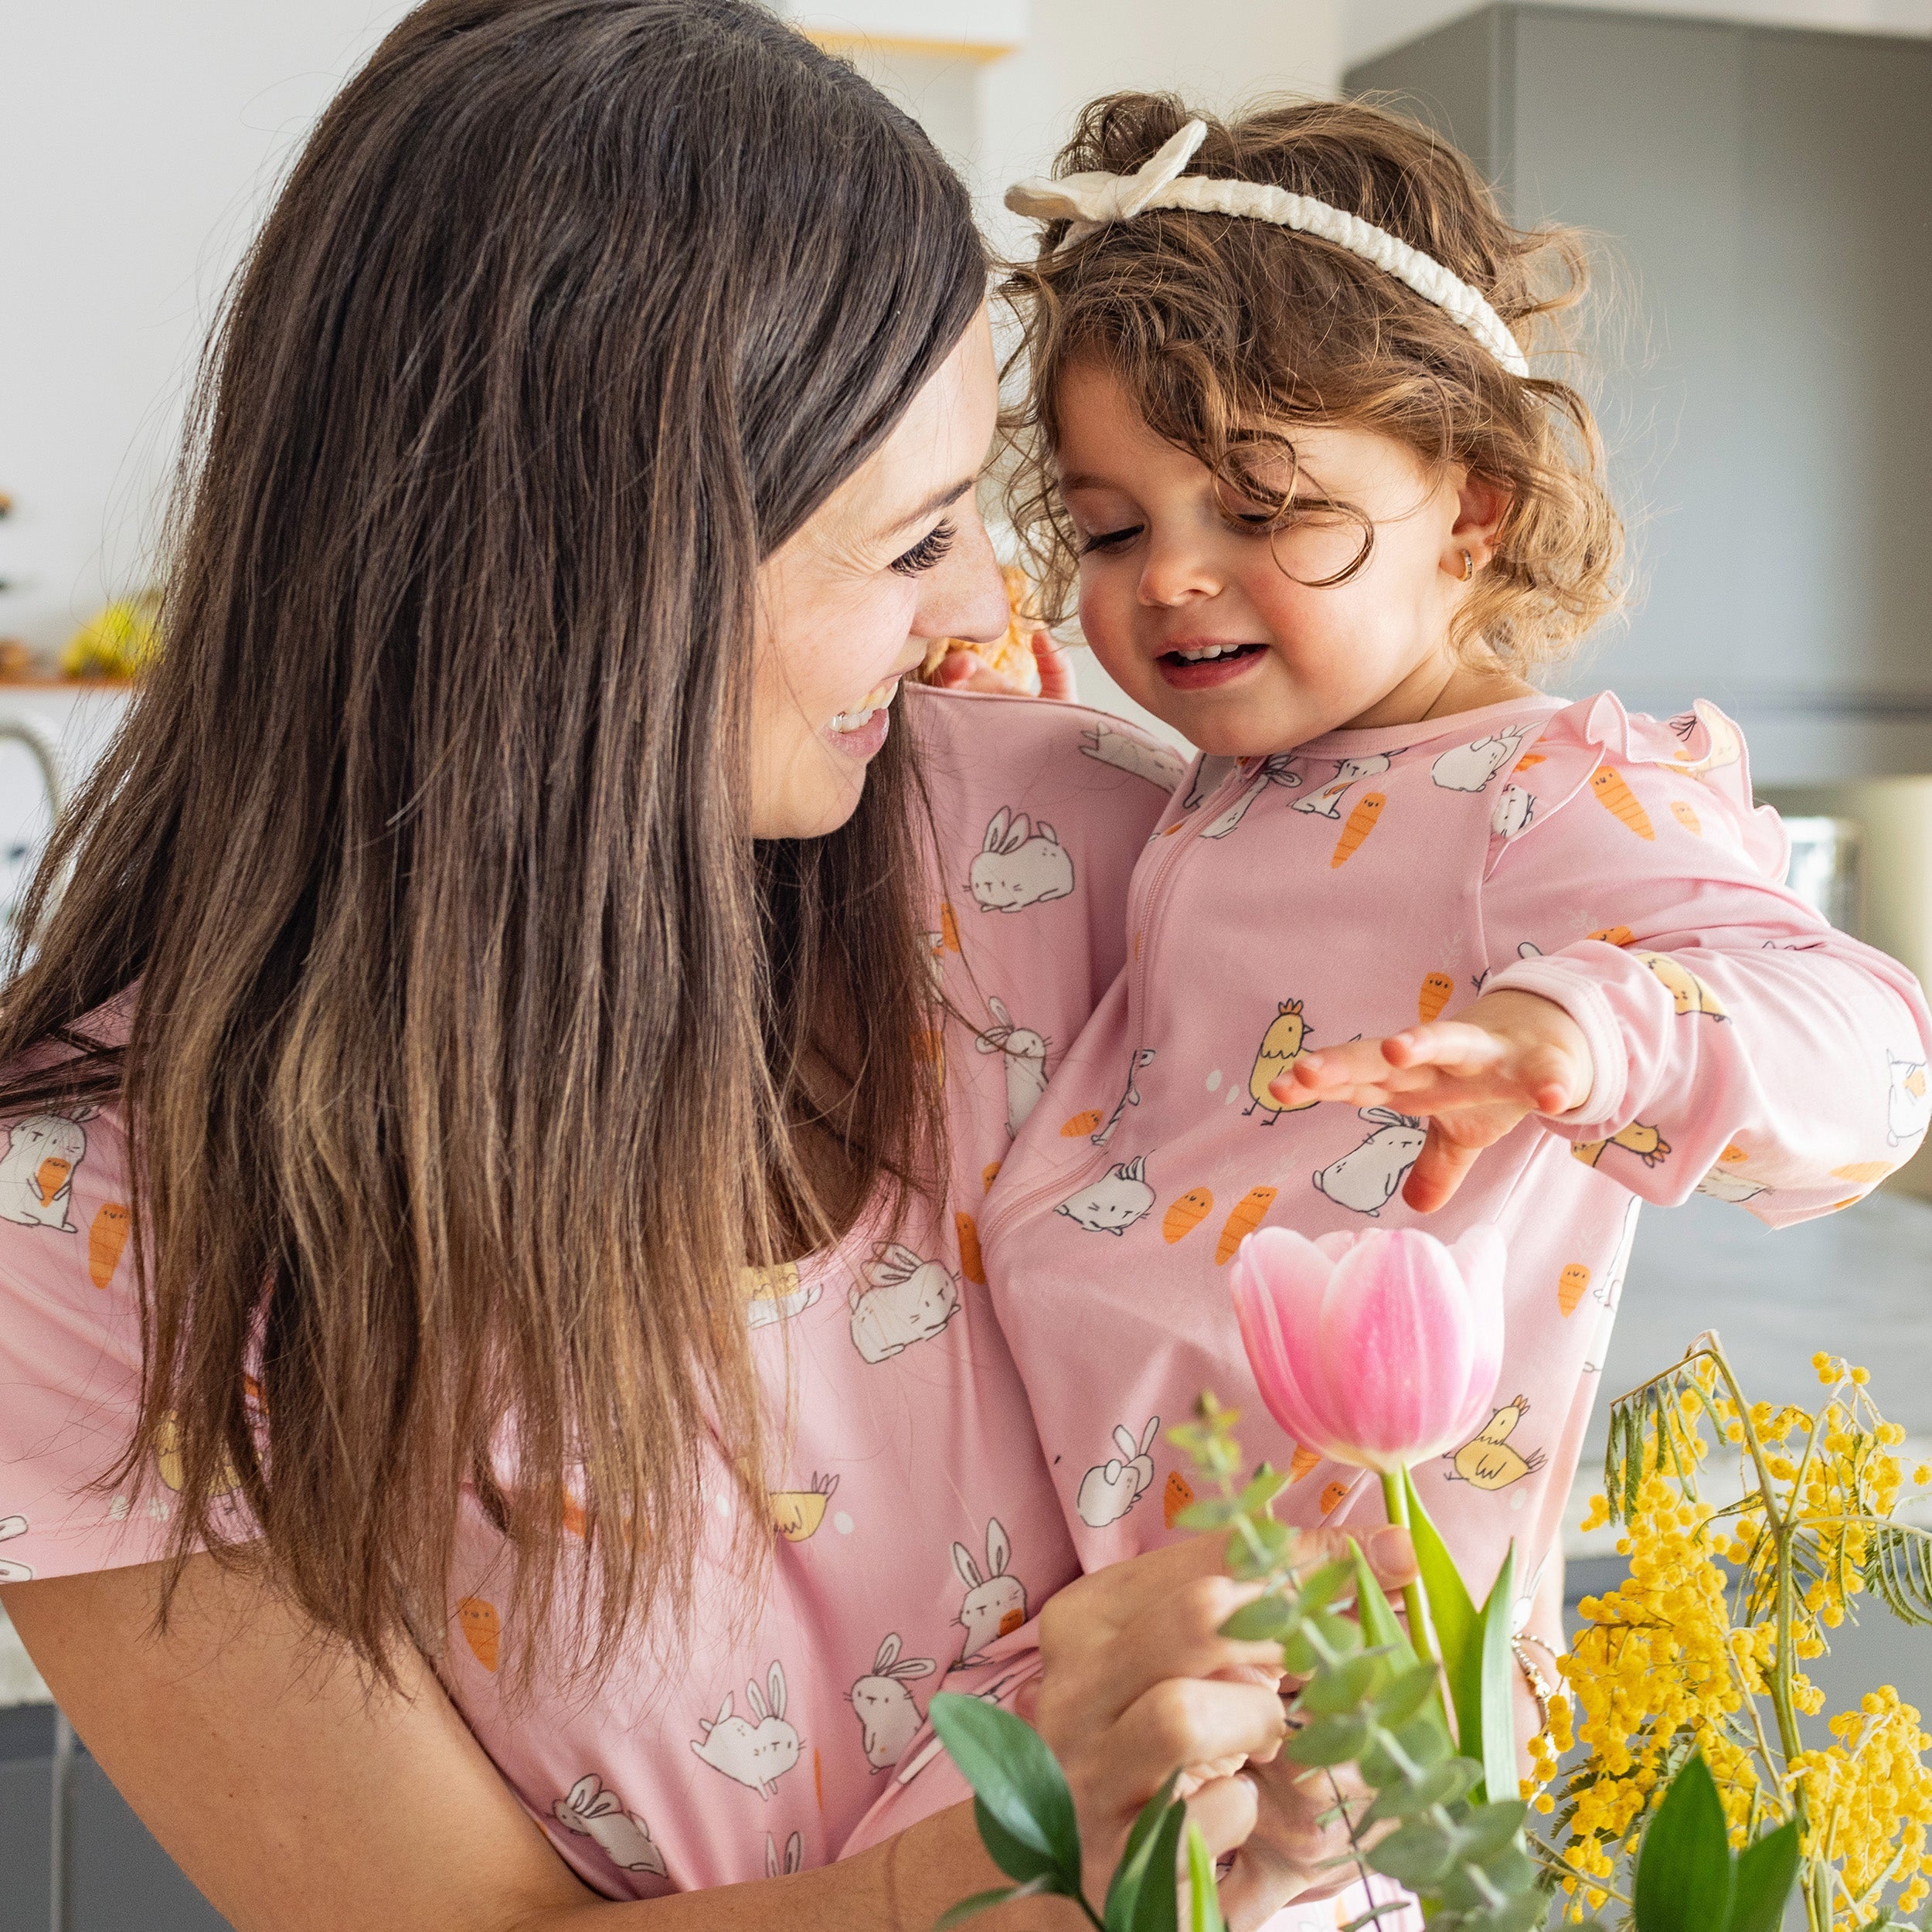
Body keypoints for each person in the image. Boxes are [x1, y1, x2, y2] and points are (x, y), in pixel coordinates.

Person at [0, 15, 1417, 1930]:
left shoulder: (1091, 855)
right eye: (914, 539)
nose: (983, 618)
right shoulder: (93, 1241)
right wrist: (1015, 1863)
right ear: (604, 568)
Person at [964, 93, 1932, 1744]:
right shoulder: (1235, 771)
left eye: (1260, 511)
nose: (1171, 578)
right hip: (1119, 1615)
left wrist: (1576, 1034)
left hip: (1343, 1681)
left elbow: (1867, 1055)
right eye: (1115, 527)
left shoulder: (1540, 793)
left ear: (1470, 510)